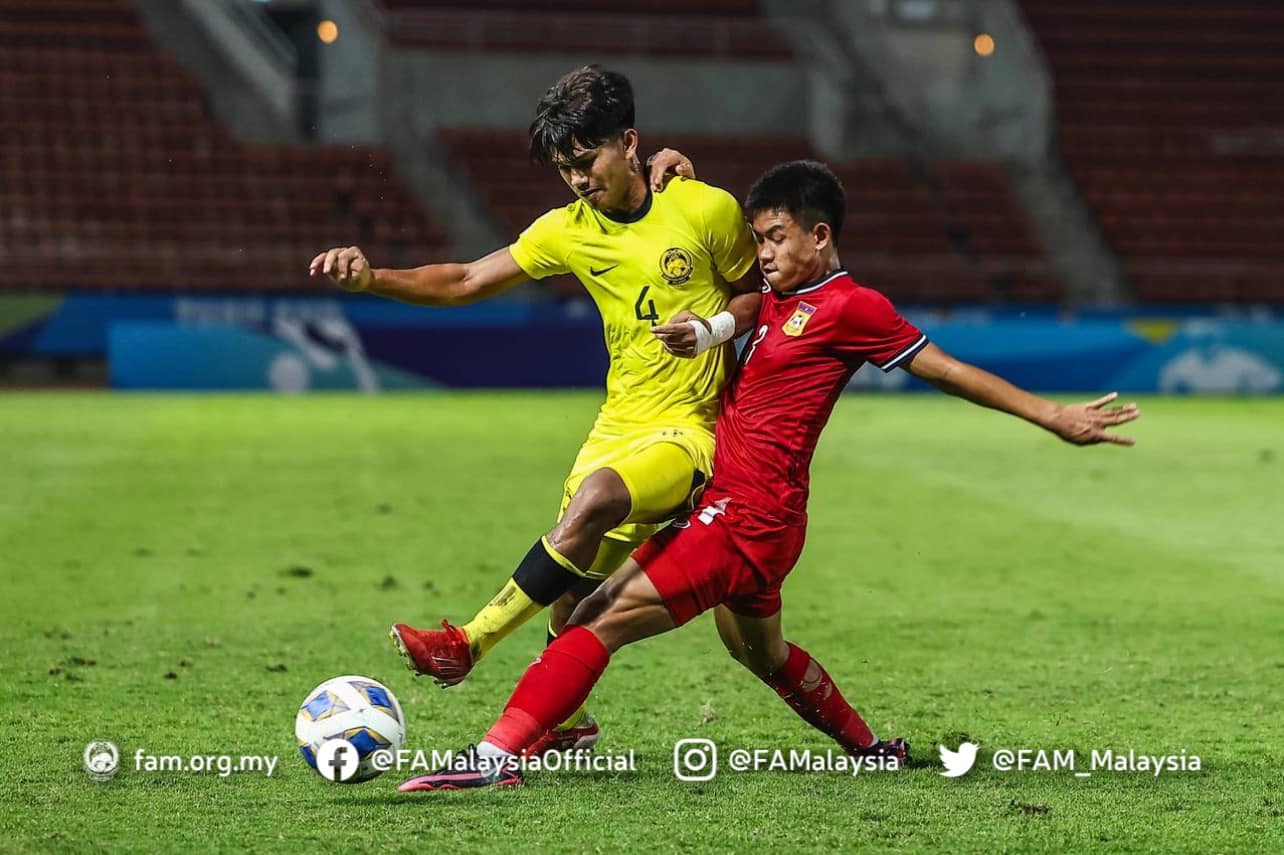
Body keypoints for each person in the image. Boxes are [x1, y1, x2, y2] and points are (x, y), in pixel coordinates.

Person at [397, 159, 1140, 790]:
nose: (764, 253)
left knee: (595, 618)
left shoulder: (853, 307)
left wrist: (1051, 414)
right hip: (764, 519)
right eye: (757, 238)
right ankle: (871, 751)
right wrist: (675, 173)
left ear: (820, 236)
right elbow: (724, 286)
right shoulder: (777, 299)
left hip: (743, 517)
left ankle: (492, 757)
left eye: (776, 237)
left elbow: (945, 369)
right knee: (763, 654)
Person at [309, 66, 761, 754]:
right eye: (563, 168)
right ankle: (559, 719)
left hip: (692, 430)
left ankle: (465, 642)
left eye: (586, 160)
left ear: (628, 142)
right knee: (571, 588)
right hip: (617, 425)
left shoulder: (703, 209)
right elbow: (466, 279)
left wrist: (711, 330)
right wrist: (375, 278)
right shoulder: (567, 230)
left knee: (597, 502)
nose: (577, 179)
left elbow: (756, 292)